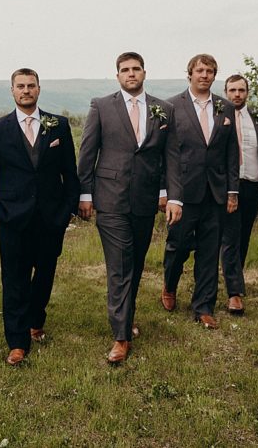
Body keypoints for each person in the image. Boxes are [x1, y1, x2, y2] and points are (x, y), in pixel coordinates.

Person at [77, 52, 178, 364]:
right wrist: (84, 193)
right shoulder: (101, 106)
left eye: (136, 69)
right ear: (117, 75)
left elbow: (170, 156)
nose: (131, 74)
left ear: (144, 73)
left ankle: (126, 316)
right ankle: (120, 337)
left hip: (146, 200)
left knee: (134, 264)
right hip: (110, 199)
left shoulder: (164, 109)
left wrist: (172, 196)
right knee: (120, 266)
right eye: (125, 70)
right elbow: (88, 150)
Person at [0, 68, 80, 365]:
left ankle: (36, 319)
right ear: (12, 90)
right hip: (12, 216)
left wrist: (69, 207)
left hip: (51, 216)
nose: (26, 91)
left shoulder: (58, 125)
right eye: (20, 86)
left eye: (31, 86)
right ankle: (17, 341)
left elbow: (69, 172)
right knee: (15, 279)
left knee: (45, 273)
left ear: (39, 89)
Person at [162, 53, 238, 329]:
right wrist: (167, 192)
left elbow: (232, 153)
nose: (205, 75)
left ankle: (203, 307)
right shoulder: (172, 106)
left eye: (210, 71)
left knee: (209, 250)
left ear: (215, 76)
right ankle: (169, 286)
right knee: (177, 246)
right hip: (182, 190)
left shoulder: (225, 108)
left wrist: (233, 192)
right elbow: (165, 154)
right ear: (190, 74)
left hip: (216, 191)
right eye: (200, 70)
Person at [219, 74, 258, 315]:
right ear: (226, 92)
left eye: (241, 90)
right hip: (228, 188)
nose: (237, 94)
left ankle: (234, 280)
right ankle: (234, 293)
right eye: (232, 90)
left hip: (254, 186)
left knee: (243, 237)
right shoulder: (219, 116)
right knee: (230, 237)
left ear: (247, 92)